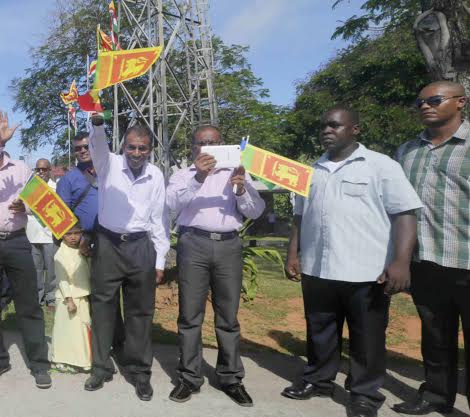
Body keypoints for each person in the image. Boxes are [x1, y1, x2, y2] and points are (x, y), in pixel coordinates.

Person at [282, 107, 423, 417]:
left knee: (367, 336)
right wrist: (293, 253)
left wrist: (401, 262)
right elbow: (299, 216)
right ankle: (318, 380)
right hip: (319, 269)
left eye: (335, 125)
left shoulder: (380, 166)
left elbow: (405, 214)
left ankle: (364, 395)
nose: (327, 130)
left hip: (367, 270)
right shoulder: (311, 169)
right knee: (320, 330)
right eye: (324, 125)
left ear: (355, 129)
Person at [166, 125, 265, 406]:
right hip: (193, 243)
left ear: (222, 144)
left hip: (228, 246)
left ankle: (231, 378)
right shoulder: (182, 175)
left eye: (213, 143)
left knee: (228, 315)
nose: (207, 148)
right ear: (193, 147)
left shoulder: (236, 172)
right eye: (202, 143)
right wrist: (198, 177)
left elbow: (255, 211)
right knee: (190, 315)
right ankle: (189, 377)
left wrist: (242, 188)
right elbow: (171, 204)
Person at [392, 81, 470, 415]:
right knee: (436, 337)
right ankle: (436, 395)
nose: (425, 106)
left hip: (467, 260)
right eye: (420, 102)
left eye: (435, 100)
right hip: (426, 262)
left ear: (460, 102)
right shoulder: (406, 151)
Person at [83, 115, 169, 401]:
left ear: (149, 150)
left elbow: (159, 220)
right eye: (131, 147)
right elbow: (97, 145)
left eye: (142, 148)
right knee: (103, 308)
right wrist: (97, 125)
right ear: (123, 147)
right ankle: (100, 367)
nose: (136, 153)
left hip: (140, 247)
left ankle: (140, 373)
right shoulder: (108, 164)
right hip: (108, 244)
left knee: (140, 313)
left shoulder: (155, 175)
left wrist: (159, 260)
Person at [0, 113, 51, 389]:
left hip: (16, 241)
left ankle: (39, 364)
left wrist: (23, 207)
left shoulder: (22, 168)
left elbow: (37, 200)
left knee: (28, 303)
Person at [56, 131, 125, 358]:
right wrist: (78, 240)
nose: (83, 150)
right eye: (78, 148)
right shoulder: (68, 179)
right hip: (84, 241)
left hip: (111, 238)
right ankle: (95, 344)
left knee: (111, 293)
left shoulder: (111, 171)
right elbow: (62, 216)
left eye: (86, 146)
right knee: (89, 294)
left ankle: (119, 342)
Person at [51, 224, 91, 371]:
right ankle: (61, 359)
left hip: (82, 295)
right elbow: (62, 279)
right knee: (66, 330)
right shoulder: (60, 254)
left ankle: (82, 359)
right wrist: (69, 300)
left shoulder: (81, 250)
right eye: (69, 234)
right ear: (62, 235)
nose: (73, 237)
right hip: (68, 299)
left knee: (81, 330)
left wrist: (87, 255)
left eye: (77, 233)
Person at [27, 158, 58, 308]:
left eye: (44, 169)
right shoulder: (29, 188)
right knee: (35, 269)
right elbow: (24, 209)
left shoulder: (56, 187)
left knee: (51, 269)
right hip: (32, 235)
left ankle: (51, 296)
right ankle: (37, 296)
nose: (40, 172)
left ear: (49, 170)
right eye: (38, 169)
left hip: (49, 236)